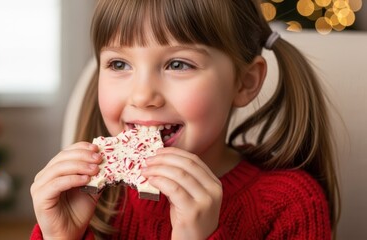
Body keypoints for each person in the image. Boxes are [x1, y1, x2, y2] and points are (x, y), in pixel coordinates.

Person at [30, 0, 340, 239]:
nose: (142, 96)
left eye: (178, 64)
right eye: (119, 63)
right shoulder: (91, 199)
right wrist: (58, 235)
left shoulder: (290, 204)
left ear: (244, 83)